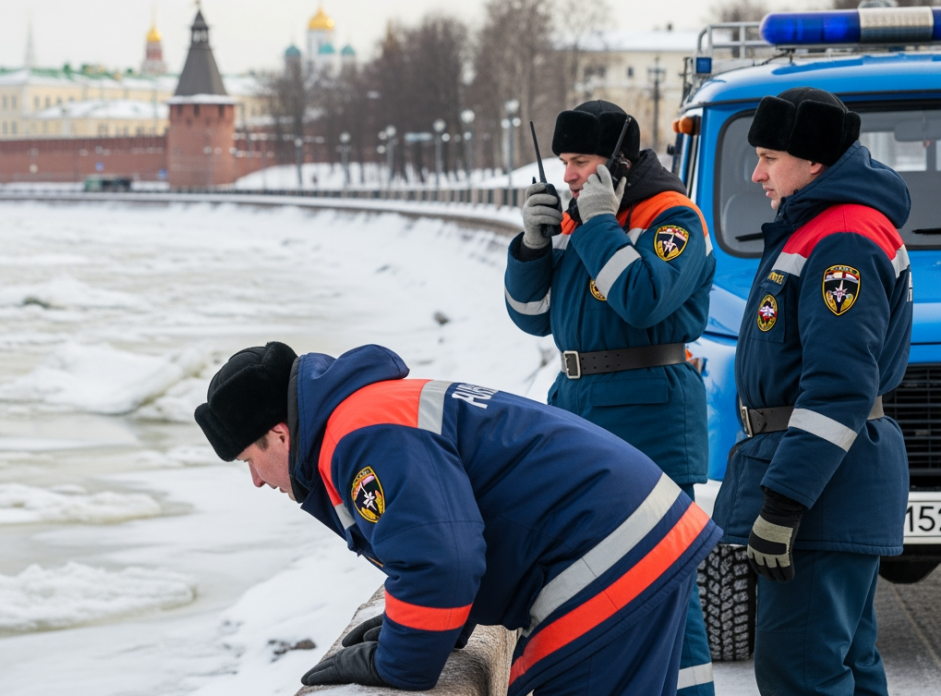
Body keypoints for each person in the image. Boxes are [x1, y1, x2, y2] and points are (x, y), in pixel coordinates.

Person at [193, 341, 721, 696]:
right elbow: (474, 514)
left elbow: (441, 562)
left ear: (280, 435)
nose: (258, 481)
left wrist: (396, 661)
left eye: (249, 462)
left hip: (607, 556)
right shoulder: (371, 409)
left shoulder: (359, 437)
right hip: (633, 535)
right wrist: (419, 626)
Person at [504, 100, 717, 694]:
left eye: (579, 161)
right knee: (592, 577)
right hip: (579, 407)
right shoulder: (582, 218)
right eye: (563, 162)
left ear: (617, 161)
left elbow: (643, 299)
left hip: (648, 414)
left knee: (666, 578)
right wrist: (532, 246)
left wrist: (598, 226)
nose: (568, 175)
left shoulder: (672, 218)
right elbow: (533, 317)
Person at [712, 87, 911, 696]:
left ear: (814, 162)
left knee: (801, 670)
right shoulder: (822, 228)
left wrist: (786, 503)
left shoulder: (841, 240)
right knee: (842, 663)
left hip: (822, 492)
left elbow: (838, 387)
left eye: (770, 156)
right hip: (829, 483)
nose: (757, 172)